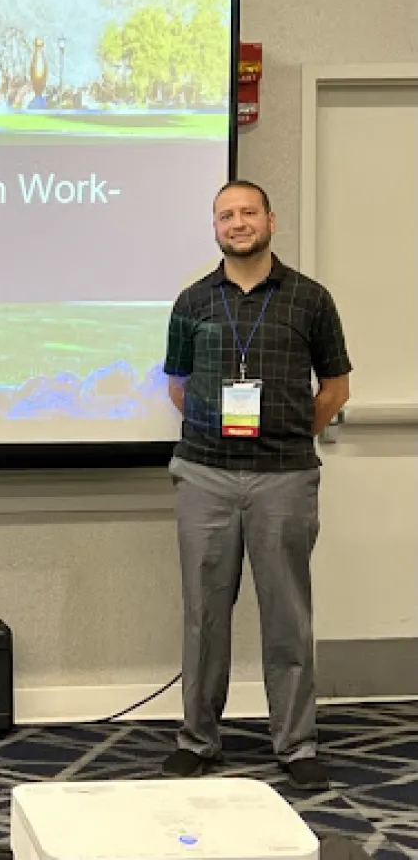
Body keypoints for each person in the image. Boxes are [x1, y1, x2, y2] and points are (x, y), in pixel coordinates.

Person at [161, 180, 351, 790]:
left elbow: (335, 389)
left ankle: (296, 744)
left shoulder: (311, 299)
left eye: (248, 212)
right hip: (205, 475)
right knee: (204, 614)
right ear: (215, 227)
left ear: (270, 219)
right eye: (226, 215)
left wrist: (288, 433)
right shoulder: (192, 301)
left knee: (287, 615)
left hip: (285, 478)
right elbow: (178, 385)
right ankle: (197, 739)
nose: (237, 223)